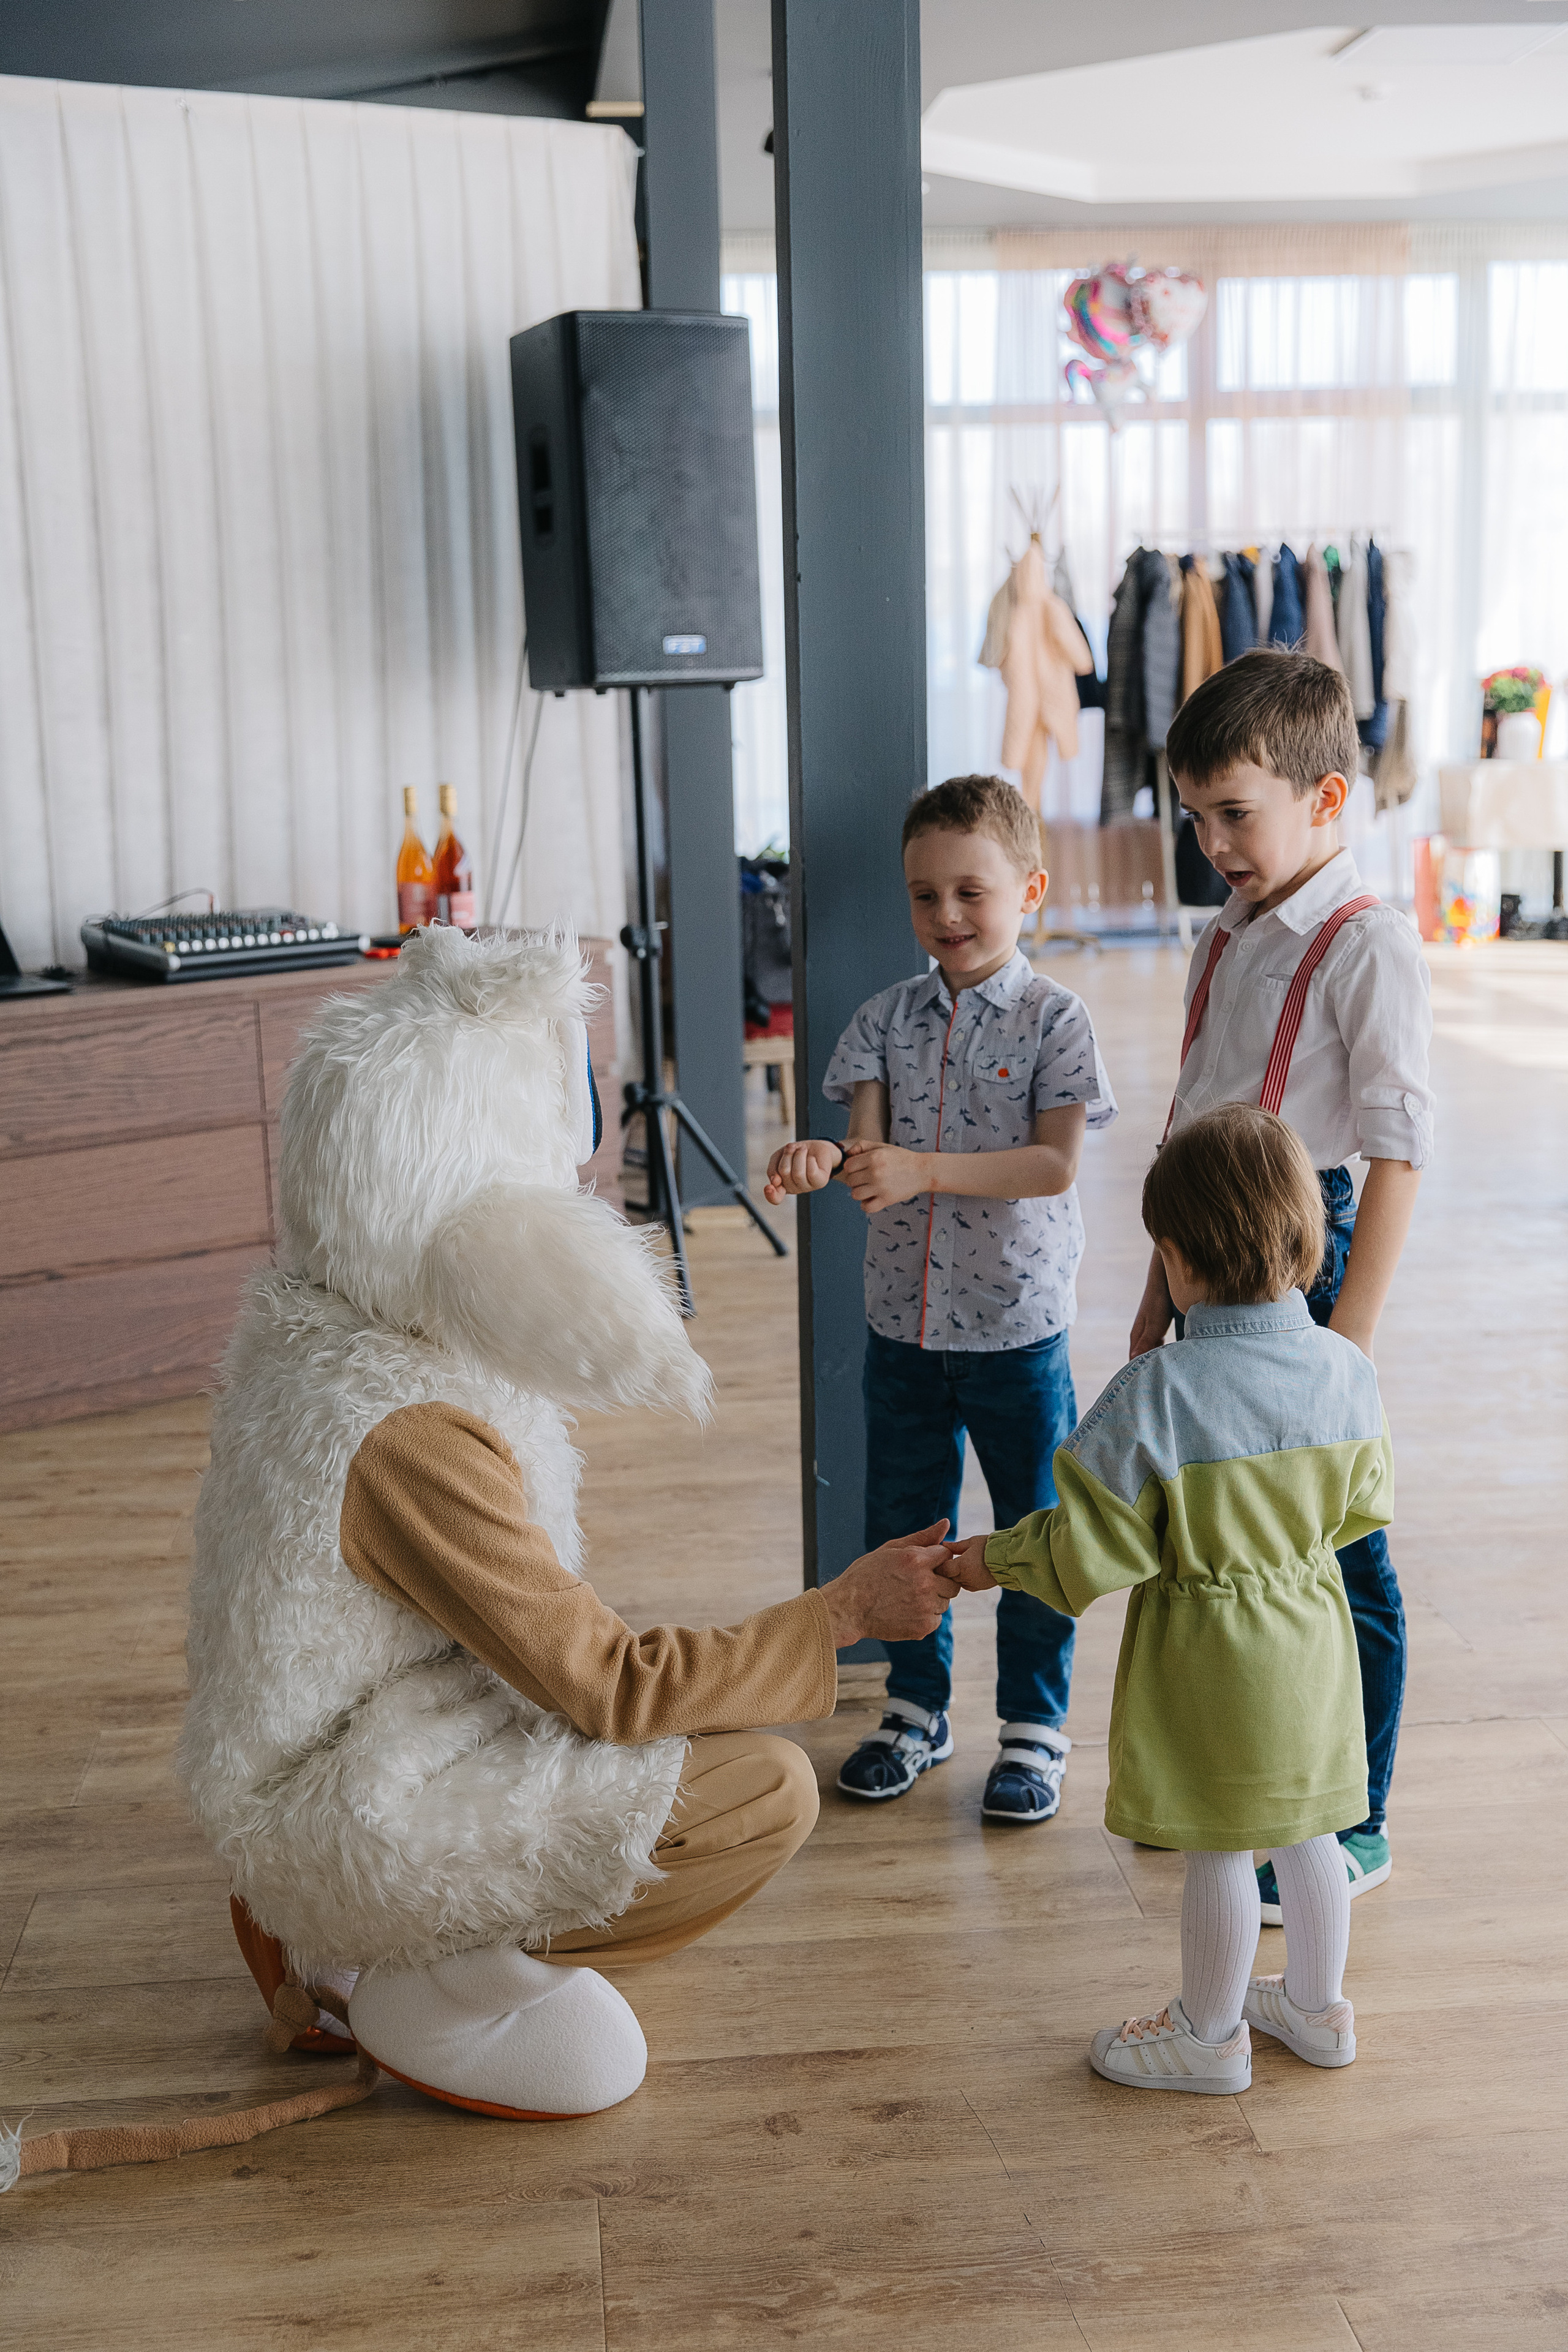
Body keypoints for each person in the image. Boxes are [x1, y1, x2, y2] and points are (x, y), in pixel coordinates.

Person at [948, 1103, 1392, 2092]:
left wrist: (988, 1560)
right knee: (1311, 1829)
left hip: (1212, 1655)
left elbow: (1084, 1551)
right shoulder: (1347, 1370)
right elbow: (1367, 1508)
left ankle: (1207, 2033)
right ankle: (1318, 2013)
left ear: (1179, 1257)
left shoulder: (1157, 1393)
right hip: (1316, 1639)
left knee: (1221, 1845)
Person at [1129, 649, 1431, 1918]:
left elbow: (1395, 1145)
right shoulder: (1229, 930)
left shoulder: (1364, 946)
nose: (1210, 841)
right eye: (1193, 816)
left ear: (1325, 800)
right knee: (1220, 1531)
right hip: (1207, 1244)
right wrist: (1154, 1313)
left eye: (1232, 812)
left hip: (1310, 1246)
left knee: (1331, 1543)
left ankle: (1352, 1820)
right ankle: (1243, 1790)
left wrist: (1343, 1337)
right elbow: (1188, 1122)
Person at [764, 774, 1117, 1823]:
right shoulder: (881, 1023)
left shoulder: (1059, 1020)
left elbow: (1053, 1165)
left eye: (971, 891)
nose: (948, 917)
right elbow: (867, 1153)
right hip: (902, 1334)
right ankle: (916, 1711)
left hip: (1017, 1334)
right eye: (926, 896)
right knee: (906, 1530)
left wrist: (921, 1169)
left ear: (1030, 890)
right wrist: (823, 1155)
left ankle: (1034, 1731)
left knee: (1032, 1532)